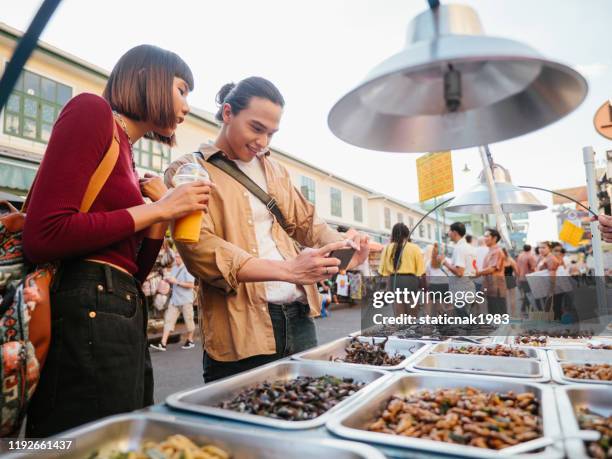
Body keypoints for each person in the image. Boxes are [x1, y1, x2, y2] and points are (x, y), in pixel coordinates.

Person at [22, 45, 211, 437]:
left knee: (124, 438)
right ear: (147, 77)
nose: (187, 106)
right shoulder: (91, 112)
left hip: (121, 306)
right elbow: (44, 234)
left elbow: (133, 271)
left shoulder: (128, 154)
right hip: (86, 305)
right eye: (181, 90)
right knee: (88, 441)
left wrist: (163, 212)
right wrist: (157, 210)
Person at [165, 77, 369, 382]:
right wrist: (288, 270)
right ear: (227, 113)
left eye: (271, 134)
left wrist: (345, 246)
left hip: (300, 318)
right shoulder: (189, 170)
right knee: (243, 420)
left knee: (307, 412)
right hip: (239, 325)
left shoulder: (274, 169)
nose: (263, 142)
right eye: (256, 128)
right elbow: (200, 250)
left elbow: (307, 223)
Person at [150, 252, 196, 351]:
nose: (176, 259)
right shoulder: (174, 268)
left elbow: (191, 285)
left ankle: (190, 340)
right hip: (175, 299)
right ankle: (163, 343)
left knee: (189, 321)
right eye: (175, 257)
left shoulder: (188, 269)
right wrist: (167, 282)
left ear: (183, 258)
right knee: (168, 320)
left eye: (178, 257)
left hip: (186, 299)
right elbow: (172, 281)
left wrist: (177, 282)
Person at [378, 223, 425, 316]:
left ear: (393, 234)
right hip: (411, 281)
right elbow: (421, 271)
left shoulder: (387, 248)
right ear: (407, 234)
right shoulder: (414, 248)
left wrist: (384, 289)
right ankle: (411, 329)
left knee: (399, 314)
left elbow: (382, 271)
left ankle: (401, 329)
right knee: (412, 313)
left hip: (394, 281)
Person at [437, 222, 477, 315]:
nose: (448, 233)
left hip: (461, 292)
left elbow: (459, 272)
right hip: (468, 288)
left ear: (455, 232)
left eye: (449, 231)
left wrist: (444, 262)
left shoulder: (460, 248)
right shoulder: (469, 247)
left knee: (465, 323)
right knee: (468, 321)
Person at [475, 229, 507, 315]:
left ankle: (504, 328)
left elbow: (492, 269)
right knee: (493, 313)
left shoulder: (497, 251)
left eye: (487, 236)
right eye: (484, 236)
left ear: (495, 238)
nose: (484, 238)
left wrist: (478, 273)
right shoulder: (490, 251)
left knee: (498, 314)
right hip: (490, 288)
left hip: (496, 288)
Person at [537, 241, 563, 320]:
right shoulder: (543, 257)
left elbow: (552, 274)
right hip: (546, 286)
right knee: (550, 308)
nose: (541, 249)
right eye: (540, 247)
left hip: (552, 287)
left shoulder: (551, 258)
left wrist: (551, 289)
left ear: (550, 248)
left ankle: (555, 327)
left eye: (544, 247)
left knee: (553, 307)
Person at [516, 244, 537, 313]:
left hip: (521, 277)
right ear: (530, 249)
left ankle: (524, 308)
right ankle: (527, 309)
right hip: (528, 277)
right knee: (529, 293)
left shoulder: (520, 256)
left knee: (526, 293)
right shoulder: (530, 256)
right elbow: (533, 268)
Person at [502, 248, 519, 318]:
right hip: (510, 279)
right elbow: (517, 272)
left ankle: (505, 315)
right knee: (512, 298)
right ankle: (513, 314)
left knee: (504, 299)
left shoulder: (499, 261)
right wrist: (516, 279)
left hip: (502, 280)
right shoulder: (511, 260)